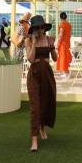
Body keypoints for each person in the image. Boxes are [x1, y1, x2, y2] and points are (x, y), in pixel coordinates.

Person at [25, 15, 57, 152]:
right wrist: (33, 41)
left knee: (45, 102)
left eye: (41, 27)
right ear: (33, 29)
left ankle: (42, 127)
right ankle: (34, 139)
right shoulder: (28, 41)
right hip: (34, 75)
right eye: (37, 27)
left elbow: (55, 59)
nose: (39, 30)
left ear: (44, 28)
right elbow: (31, 59)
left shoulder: (49, 39)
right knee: (35, 107)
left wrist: (52, 47)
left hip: (47, 74)